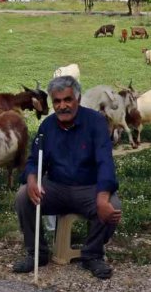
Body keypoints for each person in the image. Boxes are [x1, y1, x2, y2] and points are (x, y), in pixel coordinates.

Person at [12, 75, 121, 279]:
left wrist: (103, 195)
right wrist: (32, 179)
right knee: (22, 196)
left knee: (113, 205)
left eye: (67, 100)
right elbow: (34, 160)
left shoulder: (96, 122)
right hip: (56, 187)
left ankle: (92, 254)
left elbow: (105, 162)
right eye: (57, 101)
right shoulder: (47, 127)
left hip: (88, 187)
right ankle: (37, 252)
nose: (63, 106)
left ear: (77, 99)